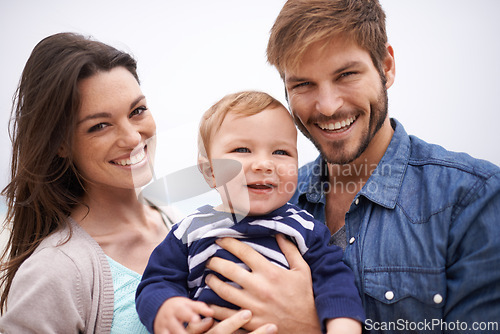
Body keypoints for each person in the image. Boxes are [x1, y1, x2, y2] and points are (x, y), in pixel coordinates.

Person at [199, 0, 500, 333]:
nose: (328, 107)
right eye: (303, 84)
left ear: (386, 66)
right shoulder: (264, 197)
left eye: (346, 75)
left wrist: (308, 327)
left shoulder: (474, 197)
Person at [0, 32, 277, 334]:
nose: (133, 138)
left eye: (137, 111)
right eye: (100, 126)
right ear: (60, 145)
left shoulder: (176, 221)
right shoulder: (53, 272)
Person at [136, 91, 365, 334]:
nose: (264, 164)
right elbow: (156, 281)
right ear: (210, 172)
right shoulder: (190, 230)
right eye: (243, 150)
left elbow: (336, 282)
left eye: (281, 152)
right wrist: (165, 307)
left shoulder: (305, 228)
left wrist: (343, 326)